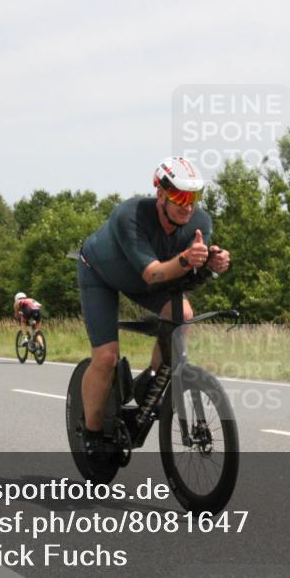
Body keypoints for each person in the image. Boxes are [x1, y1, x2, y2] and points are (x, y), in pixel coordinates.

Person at [76, 156, 231, 468]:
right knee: (106, 358)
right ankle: (92, 435)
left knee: (183, 317)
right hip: (102, 275)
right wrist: (188, 260)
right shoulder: (129, 214)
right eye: (180, 197)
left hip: (151, 275)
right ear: (160, 193)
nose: (188, 206)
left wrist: (211, 264)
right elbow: (153, 275)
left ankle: (151, 378)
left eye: (194, 197)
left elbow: (188, 273)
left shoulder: (200, 222)